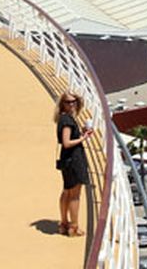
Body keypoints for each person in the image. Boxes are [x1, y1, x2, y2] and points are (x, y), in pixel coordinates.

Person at [55, 91, 91, 237]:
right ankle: (74, 227)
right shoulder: (67, 121)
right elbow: (67, 142)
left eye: (74, 101)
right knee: (75, 195)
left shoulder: (64, 119)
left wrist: (80, 133)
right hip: (74, 160)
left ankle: (64, 224)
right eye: (68, 102)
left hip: (67, 160)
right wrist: (83, 138)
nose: (72, 104)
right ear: (63, 104)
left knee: (67, 191)